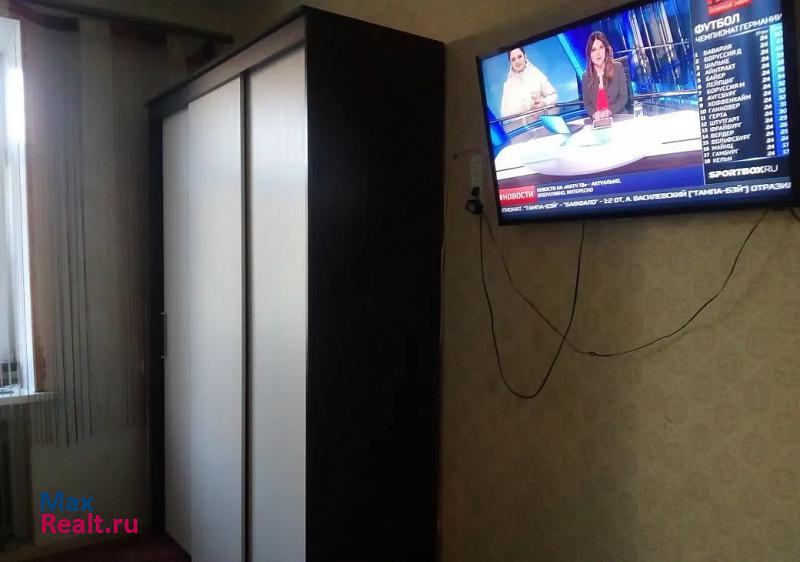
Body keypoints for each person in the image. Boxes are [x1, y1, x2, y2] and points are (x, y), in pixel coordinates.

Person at [582, 31, 628, 121]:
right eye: (593, 50)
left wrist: (610, 111)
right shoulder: (586, 77)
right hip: (597, 121)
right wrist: (594, 114)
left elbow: (624, 97)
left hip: (618, 117)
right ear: (589, 54)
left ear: (606, 49)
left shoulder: (617, 67)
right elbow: (587, 105)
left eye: (601, 47)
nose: (598, 53)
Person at [500, 46, 558, 117]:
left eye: (519, 56)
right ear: (510, 62)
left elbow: (554, 96)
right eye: (513, 59)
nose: (517, 61)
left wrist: (545, 102)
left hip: (541, 122)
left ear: (525, 56)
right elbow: (504, 114)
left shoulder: (536, 74)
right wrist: (524, 106)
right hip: (519, 124)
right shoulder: (507, 86)